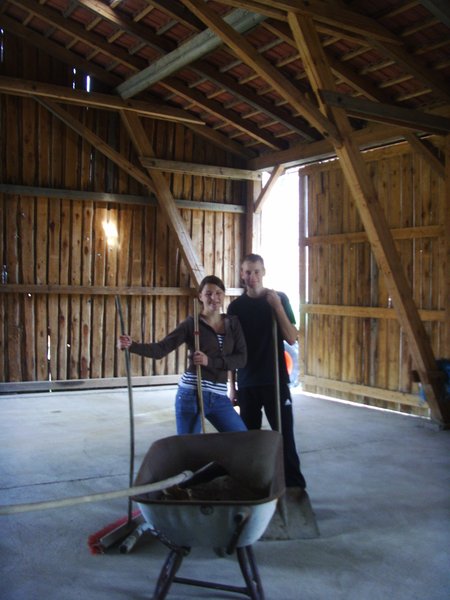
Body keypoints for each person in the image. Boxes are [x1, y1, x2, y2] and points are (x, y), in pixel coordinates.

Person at [118, 275, 247, 435]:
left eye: (218, 293)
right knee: (188, 446)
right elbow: (161, 349)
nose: (214, 298)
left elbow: (241, 359)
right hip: (192, 394)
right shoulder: (191, 324)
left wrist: (210, 361)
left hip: (219, 396)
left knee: (241, 437)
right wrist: (132, 345)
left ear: (224, 295)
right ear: (200, 296)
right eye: (208, 293)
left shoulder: (233, 323)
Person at [227, 254, 306, 490]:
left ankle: (294, 488)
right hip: (247, 382)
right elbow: (231, 350)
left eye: (256, 271)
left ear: (264, 272)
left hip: (275, 381)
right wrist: (232, 386)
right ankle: (253, 485)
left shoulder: (279, 298)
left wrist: (277, 307)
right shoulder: (235, 308)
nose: (252, 277)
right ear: (242, 274)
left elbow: (291, 337)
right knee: (250, 439)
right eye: (247, 272)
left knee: (284, 437)